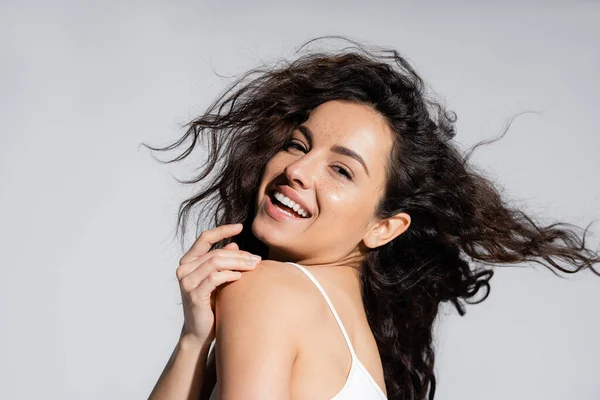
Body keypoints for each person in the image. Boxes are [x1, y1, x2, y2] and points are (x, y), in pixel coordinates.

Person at [145, 36, 599, 400]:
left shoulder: (267, 288)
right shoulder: (359, 347)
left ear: (384, 227)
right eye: (298, 145)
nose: (296, 170)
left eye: (340, 170)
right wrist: (194, 339)